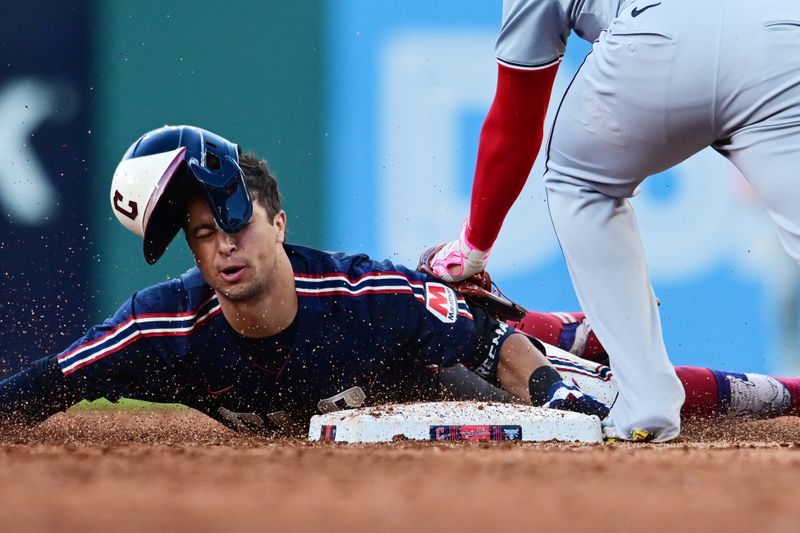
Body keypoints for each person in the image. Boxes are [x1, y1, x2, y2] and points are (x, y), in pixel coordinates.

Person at [0, 125, 609, 435]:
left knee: (615, 406)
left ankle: (570, 333)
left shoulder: (359, 295)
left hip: (449, 380)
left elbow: (485, 342)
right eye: (204, 236)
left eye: (235, 226)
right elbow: (47, 383)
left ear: (280, 224)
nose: (225, 248)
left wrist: (554, 390)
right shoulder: (165, 327)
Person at [425, 0, 800, 441]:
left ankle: (646, 407)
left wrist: (473, 247)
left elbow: (515, 122)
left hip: (659, 34)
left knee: (579, 182)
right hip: (782, 35)